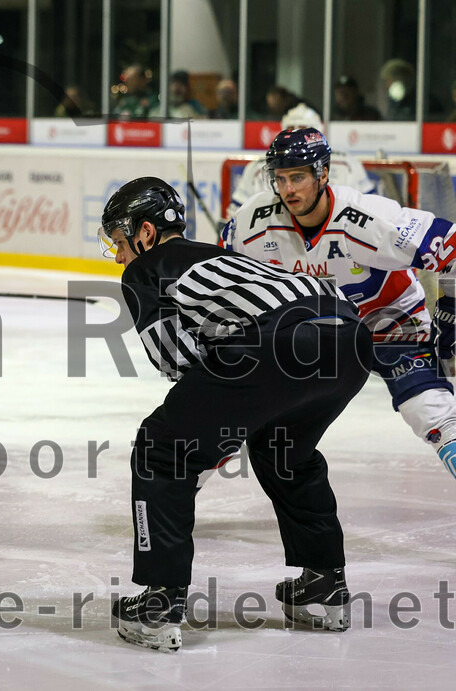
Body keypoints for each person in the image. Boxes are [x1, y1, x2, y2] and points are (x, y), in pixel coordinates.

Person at [102, 176, 373, 652]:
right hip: (349, 335)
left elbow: (176, 362)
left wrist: (210, 435)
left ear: (144, 233)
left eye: (120, 243)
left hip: (278, 341)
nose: (120, 256)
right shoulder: (226, 256)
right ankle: (325, 583)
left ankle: (161, 599)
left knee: (161, 448)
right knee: (285, 449)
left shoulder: (147, 269)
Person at [223, 128, 456, 481]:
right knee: (229, 406)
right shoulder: (251, 223)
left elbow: (452, 247)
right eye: (280, 178)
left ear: (323, 173)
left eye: (298, 177)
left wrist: (451, 307)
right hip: (310, 335)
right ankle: (176, 490)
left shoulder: (370, 218)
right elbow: (225, 275)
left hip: (388, 324)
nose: (288, 190)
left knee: (431, 413)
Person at [222, 105, 374, 224]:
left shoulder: (348, 164)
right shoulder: (255, 169)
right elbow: (234, 219)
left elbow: (369, 214)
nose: (296, 136)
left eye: (303, 129)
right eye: (290, 130)